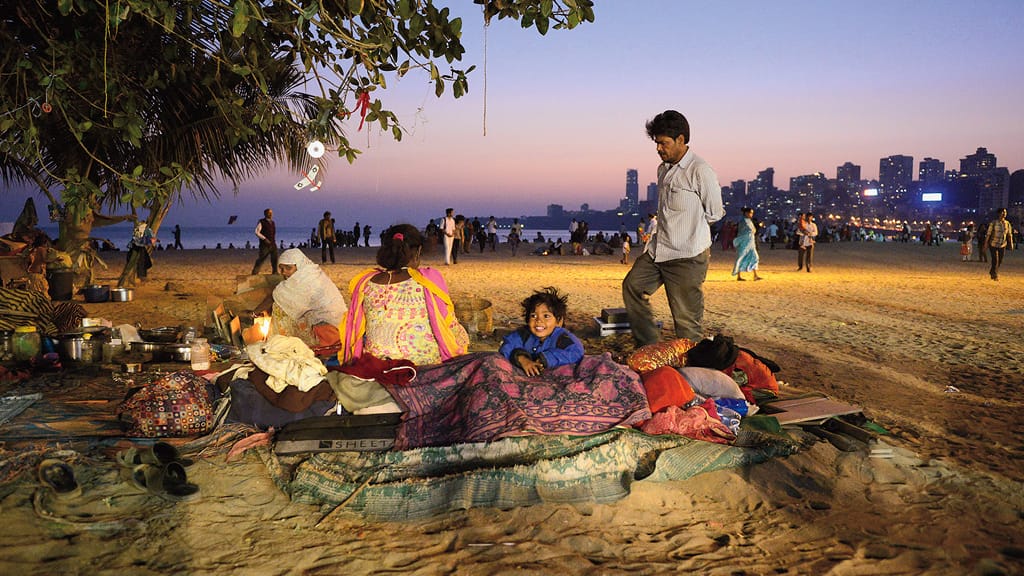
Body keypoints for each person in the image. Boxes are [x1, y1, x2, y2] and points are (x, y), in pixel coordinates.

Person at [622, 110, 724, 345]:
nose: (659, 148)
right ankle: (649, 346)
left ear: (681, 140)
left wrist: (688, 230)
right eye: (656, 143)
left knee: (686, 323)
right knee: (633, 286)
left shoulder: (700, 170)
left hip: (687, 256)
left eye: (663, 143)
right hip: (658, 251)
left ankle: (694, 372)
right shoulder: (663, 169)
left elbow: (715, 213)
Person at [340, 224, 469, 366]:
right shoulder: (429, 279)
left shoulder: (365, 282)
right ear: (418, 251)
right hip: (422, 366)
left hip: (377, 364)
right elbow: (449, 325)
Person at [254, 248, 347, 347]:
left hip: (331, 330)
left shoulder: (306, 278)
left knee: (280, 307)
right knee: (290, 305)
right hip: (340, 325)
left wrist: (254, 313)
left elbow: (276, 296)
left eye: (288, 268)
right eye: (281, 269)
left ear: (299, 265)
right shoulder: (312, 272)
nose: (284, 272)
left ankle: (283, 344)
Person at [499, 287, 584, 377]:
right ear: (528, 320)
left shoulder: (563, 337)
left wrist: (546, 359)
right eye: (533, 316)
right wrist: (522, 359)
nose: (539, 320)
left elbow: (576, 353)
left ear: (559, 321)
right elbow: (506, 347)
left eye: (546, 316)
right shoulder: (522, 335)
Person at [732, 207, 763, 281]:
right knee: (741, 257)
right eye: (750, 213)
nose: (752, 214)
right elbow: (749, 230)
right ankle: (739, 276)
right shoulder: (744, 221)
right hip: (744, 242)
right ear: (746, 213)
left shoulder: (748, 221)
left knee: (755, 257)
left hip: (750, 242)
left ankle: (755, 275)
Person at [984, 208, 1014, 281]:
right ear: (999, 213)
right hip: (993, 244)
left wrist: (1011, 244)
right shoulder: (993, 223)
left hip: (1002, 244)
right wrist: (986, 244)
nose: (1004, 213)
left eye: (1005, 212)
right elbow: (988, 234)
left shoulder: (1007, 224)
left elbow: (1009, 235)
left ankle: (992, 271)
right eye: (1003, 212)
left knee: (1000, 260)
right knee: (995, 260)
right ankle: (994, 275)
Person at [251, 208, 279, 275]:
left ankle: (275, 271)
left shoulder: (273, 222)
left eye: (271, 213)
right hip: (264, 245)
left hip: (272, 243)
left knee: (275, 258)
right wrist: (264, 239)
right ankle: (255, 272)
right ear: (265, 214)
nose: (270, 214)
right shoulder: (261, 222)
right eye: (269, 213)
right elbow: (257, 232)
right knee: (261, 258)